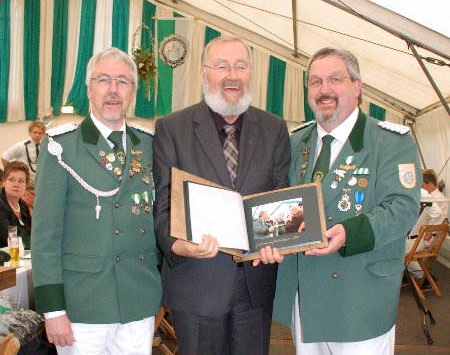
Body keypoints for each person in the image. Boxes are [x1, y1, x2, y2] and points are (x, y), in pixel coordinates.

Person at [260, 47, 421, 355]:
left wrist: (349, 233)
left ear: (356, 87)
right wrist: (267, 237)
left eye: (335, 79)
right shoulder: (296, 142)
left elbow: (403, 207)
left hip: (358, 298)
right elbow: (282, 206)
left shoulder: (390, 142)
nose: (324, 90)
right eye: (315, 82)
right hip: (305, 296)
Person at [153, 36, 290, 355]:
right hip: (196, 286)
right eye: (222, 66)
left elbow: (281, 203)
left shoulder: (274, 129)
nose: (232, 74)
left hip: (255, 286)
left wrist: (279, 240)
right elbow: (162, 206)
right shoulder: (172, 128)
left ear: (250, 73)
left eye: (240, 66)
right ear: (203, 74)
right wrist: (178, 245)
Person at [31, 47, 162, 355]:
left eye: (122, 81)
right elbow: (45, 237)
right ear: (89, 89)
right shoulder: (60, 147)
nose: (113, 90)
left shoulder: (151, 145)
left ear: (133, 92)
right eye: (104, 80)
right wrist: (53, 310)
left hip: (137, 301)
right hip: (82, 306)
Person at [0, 161, 32, 248]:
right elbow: (10, 237)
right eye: (11, 180)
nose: (16, 185)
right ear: (4, 182)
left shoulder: (23, 205)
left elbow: (34, 232)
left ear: (26, 185)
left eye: (21, 181)